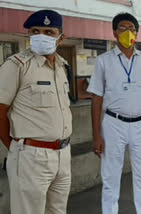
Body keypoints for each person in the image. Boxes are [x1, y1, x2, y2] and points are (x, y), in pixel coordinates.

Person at [87, 13, 141, 214]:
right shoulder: (103, 61)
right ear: (114, 32)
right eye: (122, 28)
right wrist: (96, 136)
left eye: (132, 29)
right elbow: (96, 99)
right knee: (110, 178)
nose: (128, 32)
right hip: (113, 124)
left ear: (137, 33)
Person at [0, 10, 72, 214]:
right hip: (31, 156)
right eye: (35, 31)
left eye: (49, 31)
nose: (41, 36)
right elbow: (0, 110)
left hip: (63, 154)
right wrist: (17, 147)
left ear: (61, 37)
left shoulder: (61, 67)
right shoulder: (16, 65)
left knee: (58, 211)